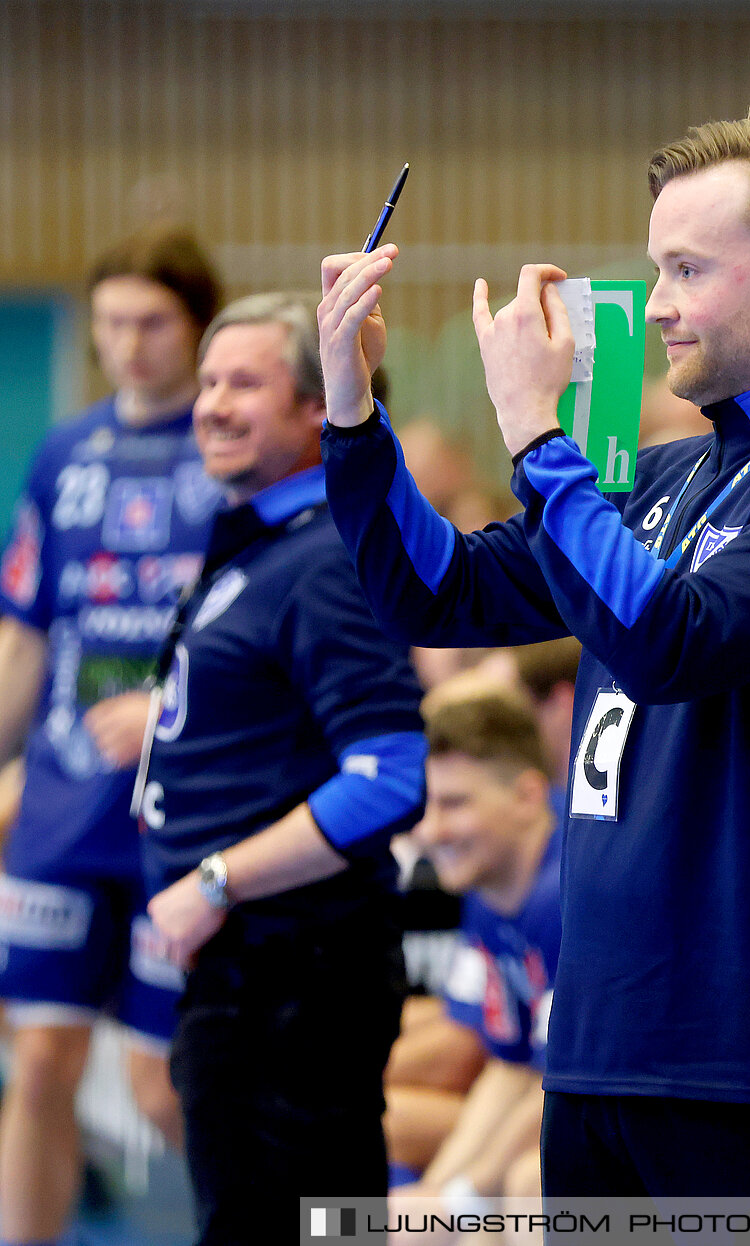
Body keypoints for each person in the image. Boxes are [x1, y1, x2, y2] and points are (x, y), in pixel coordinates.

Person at [317, 118, 750, 1195]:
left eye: (688, 269)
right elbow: (436, 590)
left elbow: (669, 639)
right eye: (657, 270)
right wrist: (352, 407)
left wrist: (534, 429)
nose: (656, 304)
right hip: (602, 1047)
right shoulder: (665, 477)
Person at [137, 292, 426, 1242]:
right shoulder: (261, 552)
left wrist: (216, 882)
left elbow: (389, 775)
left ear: (319, 408)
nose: (212, 403)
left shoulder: (321, 560)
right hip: (250, 974)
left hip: (295, 976)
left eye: (245, 383)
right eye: (209, 380)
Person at [0, 225, 220, 1246]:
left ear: (197, 326)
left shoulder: (238, 457)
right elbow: (27, 639)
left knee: (162, 1084)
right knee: (39, 1061)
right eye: (111, 323)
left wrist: (171, 709)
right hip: (62, 805)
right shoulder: (64, 454)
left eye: (152, 322)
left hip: (182, 815)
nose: (129, 343)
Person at [391, 691, 560, 1225]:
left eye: (455, 804)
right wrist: (438, 1198)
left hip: (706, 1118)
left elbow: (565, 1084)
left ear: (527, 797)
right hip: (587, 1110)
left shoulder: (571, 893)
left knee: (524, 1186)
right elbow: (511, 1066)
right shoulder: (489, 893)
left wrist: (458, 1198)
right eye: (427, 805)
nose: (430, 830)